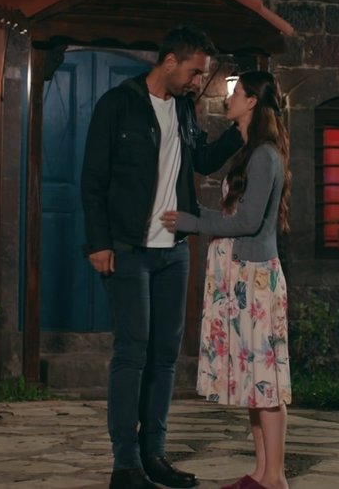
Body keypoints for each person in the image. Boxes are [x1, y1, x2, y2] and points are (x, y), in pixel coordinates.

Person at [81, 25, 244, 489]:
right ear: (169, 61)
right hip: (128, 250)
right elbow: (92, 179)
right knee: (131, 353)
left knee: (165, 357)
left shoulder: (185, 109)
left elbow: (203, 161)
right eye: (194, 72)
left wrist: (242, 130)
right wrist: (99, 242)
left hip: (173, 251)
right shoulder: (118, 104)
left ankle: (153, 454)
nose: (198, 82)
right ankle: (125, 464)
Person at [161, 71, 292, 489]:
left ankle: (274, 477)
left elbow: (249, 222)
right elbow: (239, 213)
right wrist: (197, 214)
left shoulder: (265, 155)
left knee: (266, 383)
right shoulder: (249, 152)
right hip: (242, 280)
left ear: (252, 102)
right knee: (255, 382)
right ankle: (261, 472)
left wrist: (195, 221)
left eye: (236, 93)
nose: (228, 98)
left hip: (256, 282)